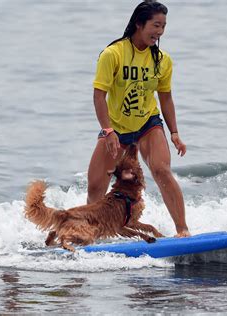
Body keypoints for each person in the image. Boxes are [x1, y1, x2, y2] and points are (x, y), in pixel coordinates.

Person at [87, 1, 190, 237]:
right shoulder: (112, 54)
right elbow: (98, 95)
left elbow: (165, 98)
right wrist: (108, 131)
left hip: (147, 123)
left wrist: (174, 133)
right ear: (139, 23)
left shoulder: (162, 60)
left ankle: (182, 231)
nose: (160, 32)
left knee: (162, 170)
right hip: (116, 127)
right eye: (156, 25)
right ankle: (93, 234)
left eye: (163, 26)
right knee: (95, 186)